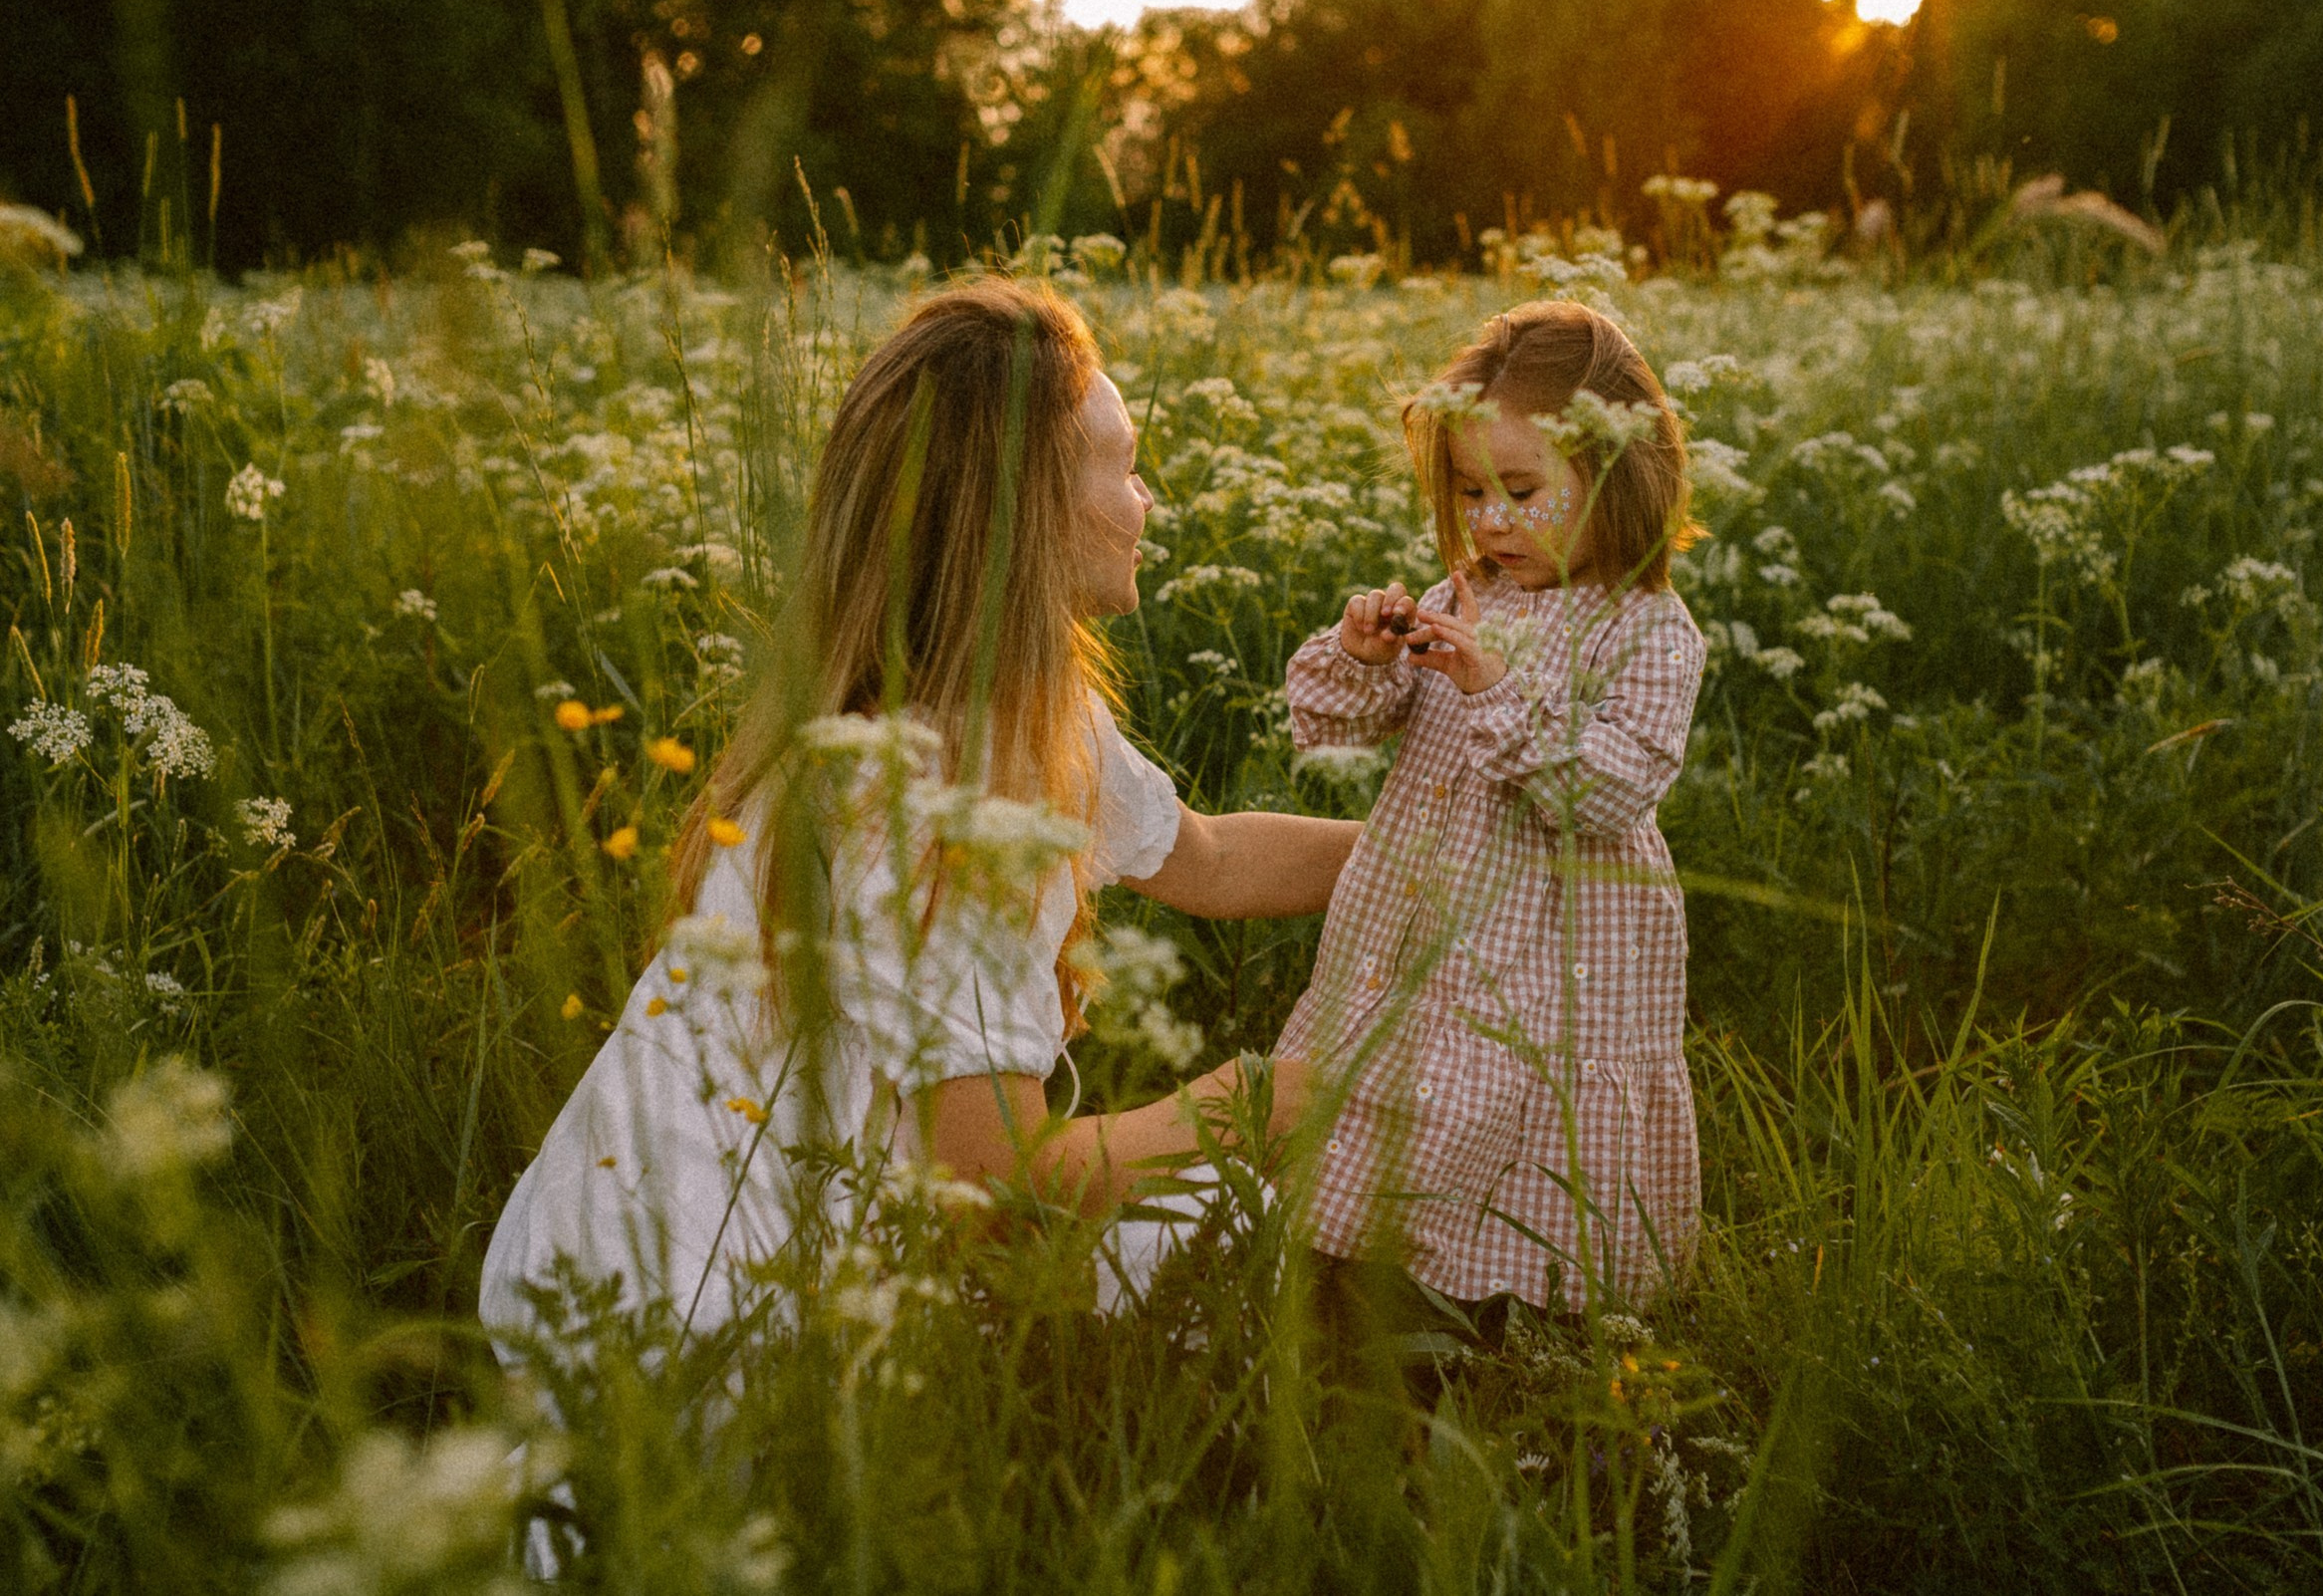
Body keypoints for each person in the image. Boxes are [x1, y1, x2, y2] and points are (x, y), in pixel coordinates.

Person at [479, 280, 1361, 1365]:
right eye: (1124, 468)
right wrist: (1257, 1098)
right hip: (704, 1323)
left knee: (1206, 1238)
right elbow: (992, 1187)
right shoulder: (937, 801)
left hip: (606, 1262)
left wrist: (1445, 853)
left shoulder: (997, 709)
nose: (1145, 501)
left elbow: (1212, 858)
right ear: (1028, 511)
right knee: (1233, 1239)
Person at [1274, 299, 1707, 1331]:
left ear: (1618, 478)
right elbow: (1337, 728)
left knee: (1507, 1132)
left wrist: (1493, 693)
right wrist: (1365, 657)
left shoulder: (1648, 631)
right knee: (1387, 1105)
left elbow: (1611, 789)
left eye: (1521, 491)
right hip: (1419, 928)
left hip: (1546, 956)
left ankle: (1497, 1328)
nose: (1490, 521)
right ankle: (1355, 1300)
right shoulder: (1465, 591)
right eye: (1469, 492)